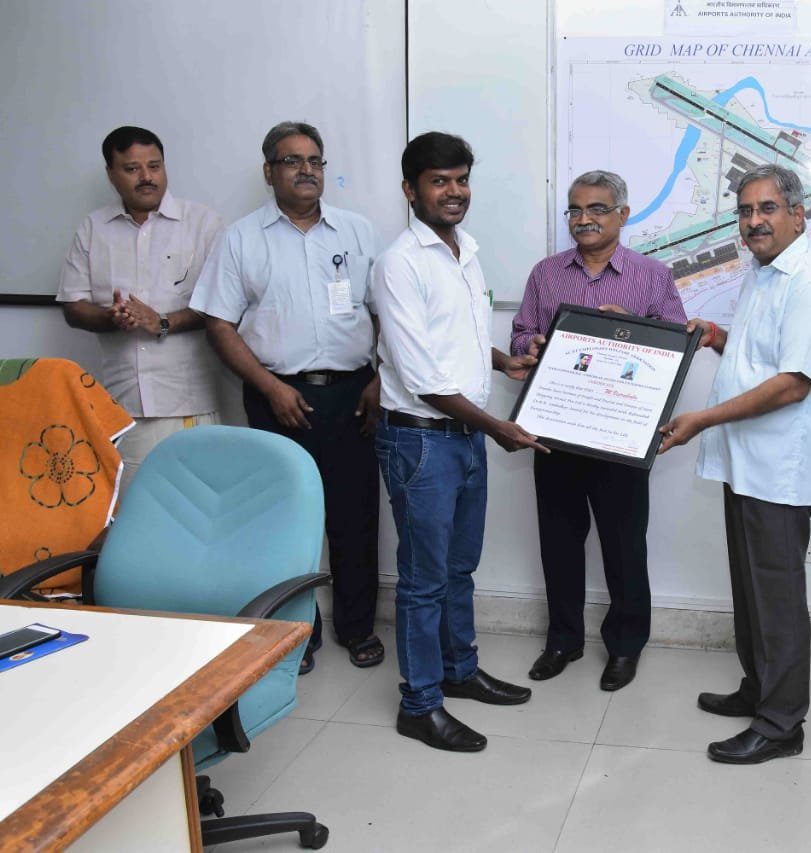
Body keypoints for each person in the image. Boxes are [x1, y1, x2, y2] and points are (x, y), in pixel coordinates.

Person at [658, 164, 811, 764]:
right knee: (750, 588)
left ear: (798, 214)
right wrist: (718, 336)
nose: (753, 222)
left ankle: (781, 723)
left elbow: (792, 383)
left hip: (778, 468)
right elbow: (759, 355)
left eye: (767, 209)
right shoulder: (763, 274)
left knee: (777, 596)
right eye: (745, 211)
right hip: (745, 462)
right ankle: (758, 687)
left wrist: (701, 420)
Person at [190, 121, 384, 675]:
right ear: (268, 171)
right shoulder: (241, 239)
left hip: (353, 394)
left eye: (315, 160)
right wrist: (271, 387)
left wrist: (379, 380)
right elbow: (219, 323)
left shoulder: (357, 232)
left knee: (355, 518)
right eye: (292, 160)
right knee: (285, 522)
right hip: (277, 397)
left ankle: (358, 628)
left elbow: (385, 312)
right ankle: (298, 634)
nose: (306, 170)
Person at [373, 131, 546, 752]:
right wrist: (497, 426)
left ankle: (459, 670)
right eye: (439, 180)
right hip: (422, 442)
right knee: (423, 580)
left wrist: (503, 361)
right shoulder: (399, 263)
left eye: (462, 179)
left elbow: (455, 338)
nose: (454, 191)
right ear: (410, 189)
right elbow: (421, 375)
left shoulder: (464, 250)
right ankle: (419, 704)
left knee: (458, 568)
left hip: (464, 435)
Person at [511, 170, 686, 691]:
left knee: (624, 545)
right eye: (575, 209)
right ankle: (562, 640)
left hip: (620, 436)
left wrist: (632, 327)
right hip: (557, 430)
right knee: (558, 542)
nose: (583, 219)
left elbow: (678, 344)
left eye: (596, 209)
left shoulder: (652, 276)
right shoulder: (546, 274)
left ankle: (626, 646)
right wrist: (531, 346)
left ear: (623, 215)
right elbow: (520, 333)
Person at [58, 126, 223, 492]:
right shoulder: (93, 228)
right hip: (124, 405)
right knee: (137, 510)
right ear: (111, 174)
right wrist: (110, 317)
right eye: (132, 168)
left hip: (188, 401)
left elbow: (219, 307)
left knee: (195, 508)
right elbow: (73, 306)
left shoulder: (203, 224)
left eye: (155, 166)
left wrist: (161, 321)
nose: (147, 177)